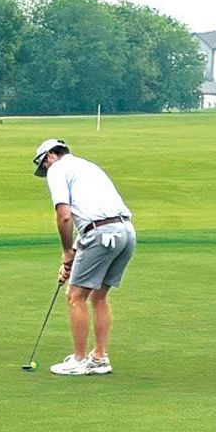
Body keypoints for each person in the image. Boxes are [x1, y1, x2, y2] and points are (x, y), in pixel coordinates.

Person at [32, 139, 135, 376]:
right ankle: (99, 358)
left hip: (101, 234)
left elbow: (65, 216)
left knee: (75, 295)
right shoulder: (88, 166)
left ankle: (79, 360)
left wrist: (67, 251)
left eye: (44, 165)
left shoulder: (57, 169)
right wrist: (72, 255)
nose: (46, 170)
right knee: (99, 296)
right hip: (126, 231)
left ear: (50, 155)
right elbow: (94, 217)